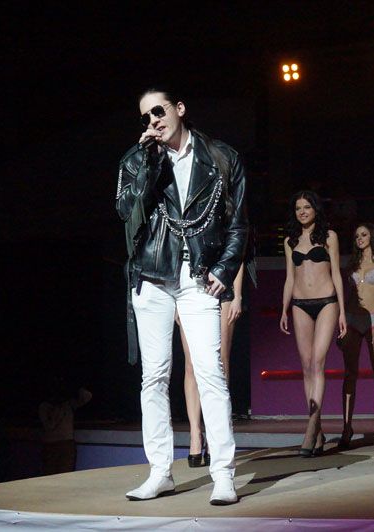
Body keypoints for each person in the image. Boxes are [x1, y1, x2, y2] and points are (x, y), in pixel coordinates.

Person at [115, 87, 247, 504]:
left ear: (180, 109)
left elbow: (239, 224)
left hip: (198, 277)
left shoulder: (221, 157)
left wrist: (225, 271)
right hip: (152, 276)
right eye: (145, 117)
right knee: (154, 376)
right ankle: (160, 473)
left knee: (211, 373)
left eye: (158, 111)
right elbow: (127, 212)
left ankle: (223, 474)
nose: (153, 120)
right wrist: (148, 163)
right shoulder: (136, 160)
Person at [280, 191, 346, 456]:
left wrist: (342, 311)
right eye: (298, 208)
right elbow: (289, 278)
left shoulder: (329, 237)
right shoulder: (290, 241)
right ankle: (317, 431)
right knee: (307, 366)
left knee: (318, 362)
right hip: (299, 304)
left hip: (327, 301)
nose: (303, 212)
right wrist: (284, 309)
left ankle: (311, 426)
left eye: (307, 207)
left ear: (316, 209)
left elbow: (337, 274)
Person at [177, 259, 253, 468]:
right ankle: (195, 434)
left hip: (223, 289)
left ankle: (215, 435)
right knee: (191, 363)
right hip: (189, 291)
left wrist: (237, 296)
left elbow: (237, 255)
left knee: (220, 362)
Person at [338, 223, 374, 447]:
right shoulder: (352, 263)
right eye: (356, 236)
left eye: (364, 234)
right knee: (350, 373)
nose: (359, 238)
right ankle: (347, 427)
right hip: (353, 319)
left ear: (372, 236)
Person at [39, 379, 92, 475]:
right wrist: (58, 409)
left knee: (66, 474)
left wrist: (77, 387)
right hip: (51, 445)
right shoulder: (45, 406)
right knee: (49, 475)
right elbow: (49, 426)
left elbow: (87, 396)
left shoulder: (69, 404)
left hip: (67, 444)